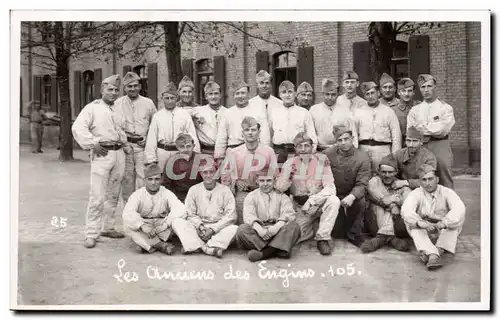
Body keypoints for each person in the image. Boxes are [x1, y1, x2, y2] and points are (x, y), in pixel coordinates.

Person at [72, 74, 128, 248]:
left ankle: (108, 227)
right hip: (102, 153)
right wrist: (92, 144)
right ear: (102, 90)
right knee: (97, 194)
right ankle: (91, 233)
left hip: (118, 153)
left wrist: (126, 142)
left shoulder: (118, 109)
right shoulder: (92, 108)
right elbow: (78, 127)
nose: (113, 93)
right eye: (109, 89)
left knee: (113, 193)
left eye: (116, 90)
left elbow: (119, 130)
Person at [275, 133, 341, 256]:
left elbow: (330, 188)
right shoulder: (290, 163)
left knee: (334, 200)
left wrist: (312, 201)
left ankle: (323, 238)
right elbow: (279, 188)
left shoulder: (322, 161)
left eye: (307, 146)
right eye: (300, 146)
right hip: (300, 207)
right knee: (296, 236)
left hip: (318, 203)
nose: (303, 149)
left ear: (312, 147)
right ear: (295, 148)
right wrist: (288, 176)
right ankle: (312, 228)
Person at [401, 164, 466, 270]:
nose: (427, 183)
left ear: (437, 179)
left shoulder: (447, 192)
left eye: (430, 179)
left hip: (442, 230)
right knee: (412, 225)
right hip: (425, 231)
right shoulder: (416, 193)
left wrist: (444, 222)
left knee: (455, 222)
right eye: (424, 180)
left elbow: (459, 209)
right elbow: (406, 210)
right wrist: (419, 222)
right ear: (420, 182)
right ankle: (434, 254)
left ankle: (433, 252)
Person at [220, 116, 277, 225]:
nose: (250, 133)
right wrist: (236, 181)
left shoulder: (268, 151)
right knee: (243, 224)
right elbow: (226, 176)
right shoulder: (234, 152)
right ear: (242, 133)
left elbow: (275, 175)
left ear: (259, 132)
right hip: (243, 193)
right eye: (247, 130)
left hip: (264, 191)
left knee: (265, 223)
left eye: (253, 130)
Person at [175, 162, 238, 258]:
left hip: (217, 228)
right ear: (200, 173)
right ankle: (209, 249)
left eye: (211, 172)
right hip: (199, 228)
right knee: (177, 222)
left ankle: (196, 246)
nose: (208, 175)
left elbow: (231, 216)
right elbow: (189, 213)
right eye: (205, 172)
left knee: (234, 229)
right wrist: (200, 226)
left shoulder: (225, 190)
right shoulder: (194, 190)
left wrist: (213, 229)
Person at [236, 170, 301, 262]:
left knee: (294, 226)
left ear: (274, 181)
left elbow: (289, 214)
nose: (265, 184)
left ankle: (264, 253)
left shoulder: (282, 196)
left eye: (269, 180)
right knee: (242, 229)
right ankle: (279, 249)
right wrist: (259, 230)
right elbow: (249, 216)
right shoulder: (251, 196)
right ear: (257, 181)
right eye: (262, 181)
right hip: (260, 232)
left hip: (278, 230)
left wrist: (276, 227)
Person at [122, 163, 187, 254]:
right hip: (145, 227)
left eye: (157, 179)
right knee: (128, 226)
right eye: (150, 179)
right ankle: (161, 245)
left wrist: (165, 225)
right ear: (145, 180)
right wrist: (142, 226)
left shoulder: (166, 193)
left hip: (162, 227)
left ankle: (146, 244)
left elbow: (180, 209)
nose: (153, 183)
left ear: (161, 180)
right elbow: (128, 213)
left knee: (179, 220)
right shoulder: (138, 194)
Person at [324, 125, 371, 247]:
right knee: (337, 233)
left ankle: (355, 234)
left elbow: (363, 183)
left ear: (352, 139)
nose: (343, 143)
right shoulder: (328, 154)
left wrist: (353, 196)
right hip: (334, 193)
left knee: (360, 201)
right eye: (339, 140)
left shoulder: (362, 157)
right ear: (336, 142)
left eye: (346, 139)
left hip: (352, 193)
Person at [114, 72, 157, 203]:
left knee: (143, 177)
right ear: (124, 88)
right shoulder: (117, 103)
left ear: (140, 86)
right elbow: (114, 126)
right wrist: (123, 142)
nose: (132, 89)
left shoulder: (148, 103)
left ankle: (142, 208)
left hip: (142, 146)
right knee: (126, 179)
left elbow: (155, 124)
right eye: (129, 86)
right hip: (125, 147)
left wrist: (148, 139)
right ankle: (128, 210)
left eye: (135, 86)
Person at [407, 74, 456, 189]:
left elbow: (443, 130)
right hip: (421, 146)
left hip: (440, 145)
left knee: (444, 175)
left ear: (435, 87)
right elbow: (411, 130)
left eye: (429, 86)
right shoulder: (415, 110)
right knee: (422, 176)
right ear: (420, 89)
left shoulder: (445, 108)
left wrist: (422, 127)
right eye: (423, 87)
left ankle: (449, 204)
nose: (426, 90)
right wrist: (432, 127)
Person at [361, 154, 412, 253]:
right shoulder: (374, 181)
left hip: (396, 223)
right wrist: (393, 204)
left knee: (392, 207)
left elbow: (408, 203)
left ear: (396, 172)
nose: (387, 175)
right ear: (379, 171)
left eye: (390, 172)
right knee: (379, 205)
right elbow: (382, 199)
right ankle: (391, 239)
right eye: (384, 172)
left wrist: (396, 200)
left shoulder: (402, 185)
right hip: (374, 221)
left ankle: (382, 237)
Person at [145, 82, 200, 171]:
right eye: (167, 98)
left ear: (176, 98)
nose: (170, 101)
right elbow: (152, 138)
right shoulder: (157, 116)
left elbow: (192, 135)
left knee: (181, 176)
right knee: (163, 178)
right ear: (162, 98)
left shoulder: (184, 114)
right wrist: (151, 159)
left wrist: (196, 155)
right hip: (162, 151)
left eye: (172, 98)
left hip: (180, 151)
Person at [214, 79, 271, 162]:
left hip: (253, 150)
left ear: (248, 94)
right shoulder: (227, 113)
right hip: (234, 150)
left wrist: (265, 153)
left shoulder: (258, 110)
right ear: (233, 96)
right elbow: (221, 136)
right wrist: (219, 156)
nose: (240, 96)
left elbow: (264, 135)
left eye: (243, 93)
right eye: (237, 93)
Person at [354, 81, 401, 169]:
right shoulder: (358, 112)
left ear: (378, 93)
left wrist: (394, 156)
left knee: (383, 175)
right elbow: (354, 134)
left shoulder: (388, 111)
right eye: (367, 94)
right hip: (363, 149)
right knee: (364, 175)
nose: (370, 96)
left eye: (373, 93)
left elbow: (396, 135)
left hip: (383, 149)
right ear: (364, 96)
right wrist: (356, 152)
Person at [268, 80, 318, 164]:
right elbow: (270, 134)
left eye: (290, 92)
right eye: (284, 92)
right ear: (280, 95)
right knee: (279, 175)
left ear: (295, 94)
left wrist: (310, 152)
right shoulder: (274, 112)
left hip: (297, 151)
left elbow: (311, 134)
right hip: (278, 151)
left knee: (297, 175)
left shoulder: (303, 112)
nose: (287, 95)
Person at [309, 78, 357, 152]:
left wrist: (354, 149)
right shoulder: (314, 110)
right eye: (327, 94)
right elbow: (310, 132)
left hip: (340, 150)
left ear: (337, 94)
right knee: (321, 164)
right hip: (320, 150)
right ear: (322, 93)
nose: (330, 97)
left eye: (333, 94)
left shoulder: (345, 110)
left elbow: (352, 131)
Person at [163, 133, 203, 202]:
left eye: (188, 146)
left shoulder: (201, 159)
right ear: (177, 147)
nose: (185, 150)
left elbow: (206, 182)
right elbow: (167, 185)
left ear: (193, 146)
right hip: (178, 196)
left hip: (198, 196)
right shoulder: (171, 162)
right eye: (182, 147)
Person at [192, 81, 227, 155]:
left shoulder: (227, 112)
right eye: (210, 94)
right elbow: (183, 113)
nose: (213, 97)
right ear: (206, 96)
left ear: (220, 95)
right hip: (205, 151)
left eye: (216, 93)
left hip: (224, 151)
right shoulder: (198, 111)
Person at [393, 78, 421, 144]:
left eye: (409, 91)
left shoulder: (420, 107)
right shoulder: (393, 110)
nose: (406, 94)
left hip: (418, 143)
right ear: (398, 92)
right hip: (400, 144)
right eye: (403, 91)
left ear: (414, 92)